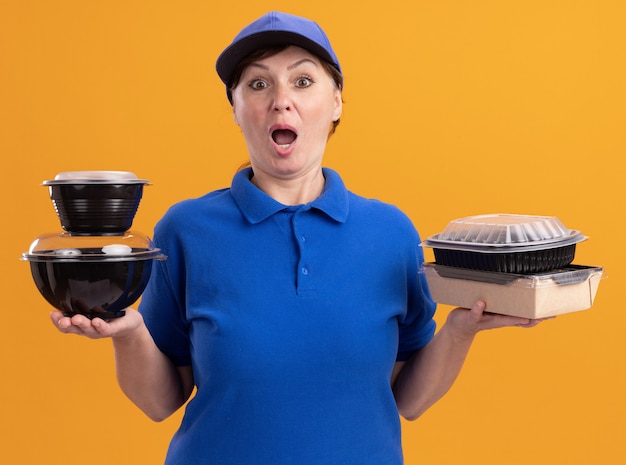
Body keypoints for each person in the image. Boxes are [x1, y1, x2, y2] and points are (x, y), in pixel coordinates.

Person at [50, 11, 546, 465]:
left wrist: (460, 330)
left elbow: (406, 400)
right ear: (236, 108)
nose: (280, 99)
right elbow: (159, 401)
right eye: (258, 84)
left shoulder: (392, 233)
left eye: (303, 81)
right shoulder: (184, 229)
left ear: (335, 104)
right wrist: (129, 333)